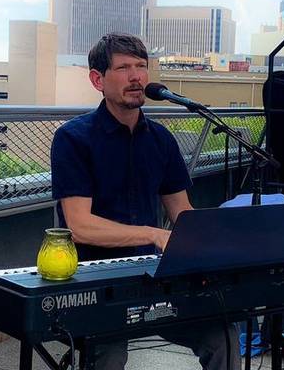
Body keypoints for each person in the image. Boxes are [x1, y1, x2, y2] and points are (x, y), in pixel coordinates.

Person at [51, 33, 240, 370]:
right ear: (98, 79)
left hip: (156, 276)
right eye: (124, 68)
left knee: (221, 334)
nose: (136, 76)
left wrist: (218, 239)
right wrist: (153, 235)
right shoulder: (73, 138)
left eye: (141, 66)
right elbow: (79, 227)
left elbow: (182, 212)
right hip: (95, 281)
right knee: (108, 355)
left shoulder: (161, 139)